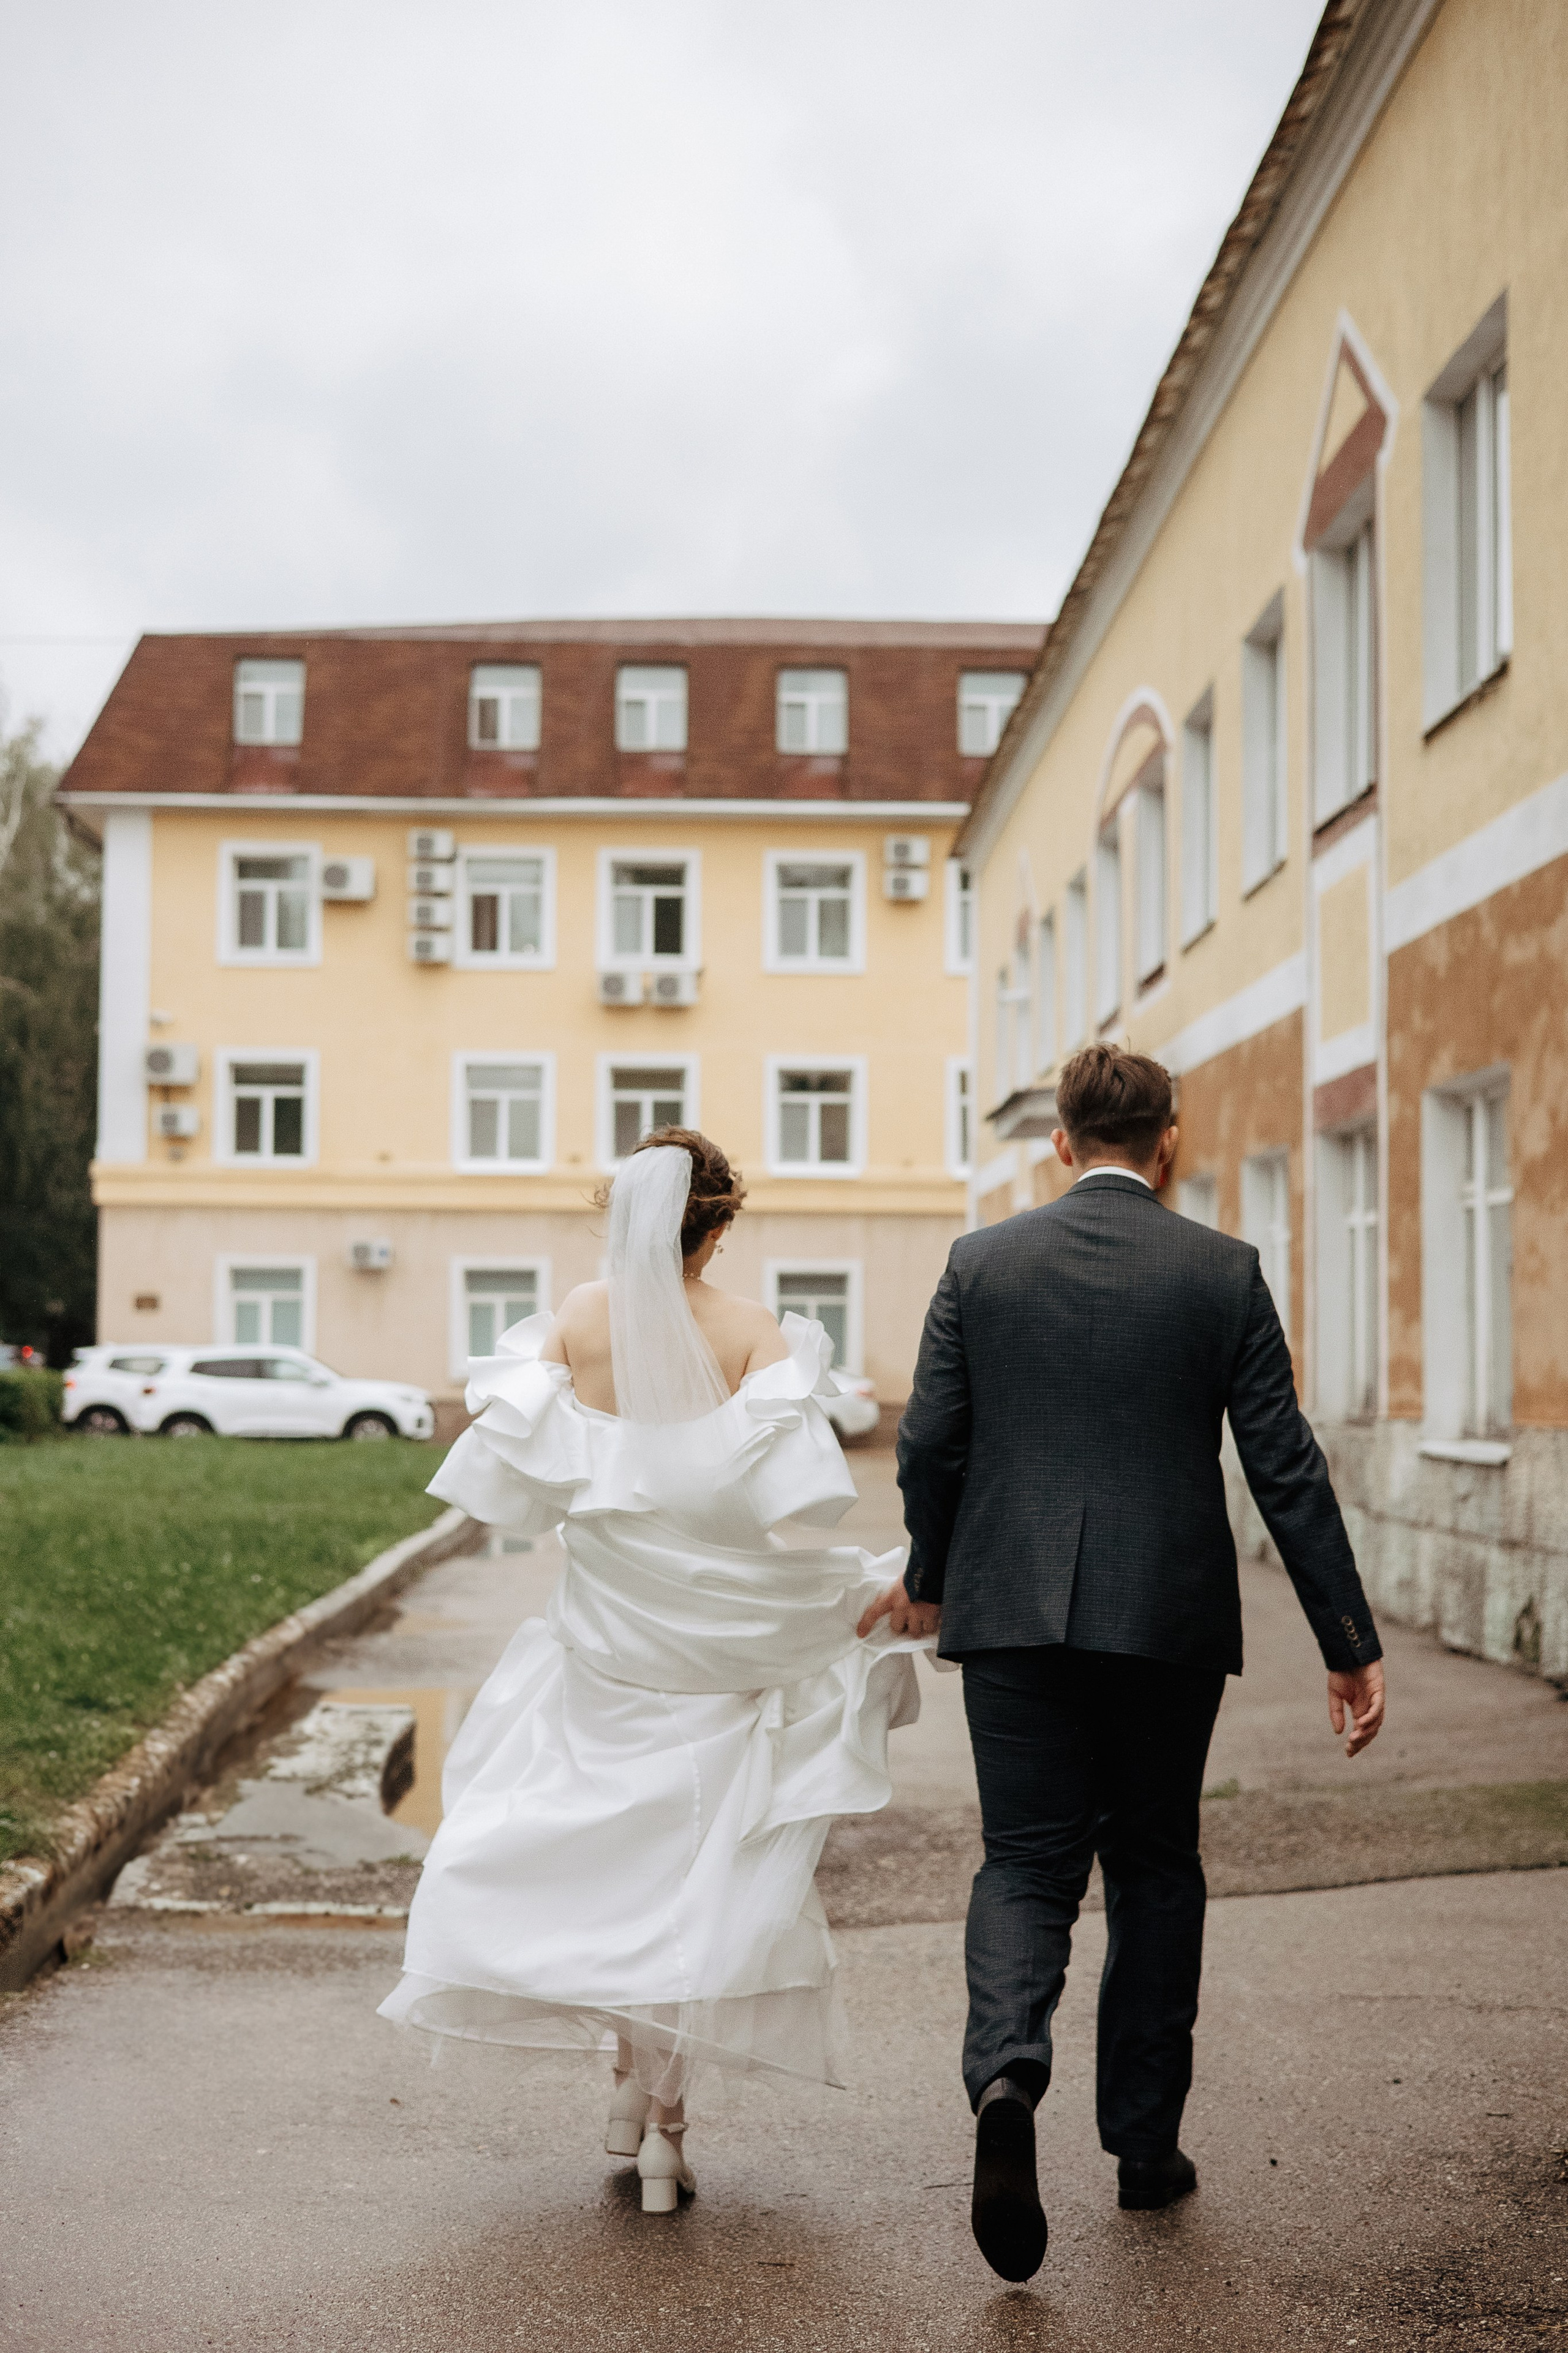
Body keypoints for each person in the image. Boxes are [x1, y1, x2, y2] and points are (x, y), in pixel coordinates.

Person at [859, 1043, 1386, 2283]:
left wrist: (930, 1574)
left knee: (1027, 1861)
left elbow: (929, 1440)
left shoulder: (978, 1264)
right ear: (1169, 1139)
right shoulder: (1222, 1272)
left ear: (1057, 1141)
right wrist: (1345, 1642)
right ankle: (1144, 2153)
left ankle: (1004, 2072)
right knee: (1153, 1866)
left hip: (1010, 1612)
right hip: (1165, 1618)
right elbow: (1283, 1468)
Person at [379, 1128, 927, 2213]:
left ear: (623, 1216)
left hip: (604, 1656)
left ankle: (633, 2093)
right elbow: (790, 1505)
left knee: (616, 1885)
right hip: (714, 1663)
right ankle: (667, 2124)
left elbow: (518, 1481)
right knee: (690, 1889)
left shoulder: (581, 1321)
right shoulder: (752, 1332)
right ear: (717, 1228)